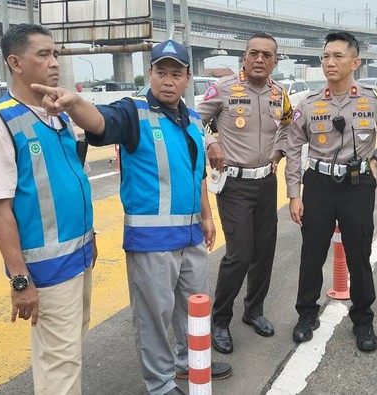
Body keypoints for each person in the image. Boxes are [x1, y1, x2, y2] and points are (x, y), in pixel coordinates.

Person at [30, 39, 231, 395]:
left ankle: (191, 363)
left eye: (176, 74)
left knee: (192, 306)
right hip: (152, 242)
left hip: (192, 236)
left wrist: (206, 214)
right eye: (160, 72)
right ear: (150, 73)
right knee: (153, 317)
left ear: (187, 79)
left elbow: (196, 170)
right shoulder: (132, 113)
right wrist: (75, 103)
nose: (168, 81)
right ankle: (160, 383)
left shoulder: (193, 118)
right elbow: (100, 122)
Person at [0, 24, 96, 394]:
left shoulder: (57, 115)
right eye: (43, 54)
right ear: (15, 62)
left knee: (66, 354)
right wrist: (20, 281)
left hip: (78, 256)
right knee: (61, 363)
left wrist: (91, 238)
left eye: (55, 54)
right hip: (46, 270)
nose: (54, 63)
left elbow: (73, 184)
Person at [285, 31, 377, 352]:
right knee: (312, 252)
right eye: (326, 56)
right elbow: (293, 145)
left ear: (355, 62)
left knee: (358, 252)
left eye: (338, 56)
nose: (330, 62)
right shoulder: (309, 103)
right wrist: (294, 194)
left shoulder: (375, 98)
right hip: (319, 184)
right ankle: (307, 313)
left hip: (357, 185)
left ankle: (363, 318)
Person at [196, 32, 292, 354]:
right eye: (254, 53)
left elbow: (288, 128)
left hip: (267, 183)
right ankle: (220, 320)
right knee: (239, 254)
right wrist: (211, 142)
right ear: (244, 58)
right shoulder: (223, 89)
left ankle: (254, 310)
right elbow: (193, 119)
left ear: (275, 61)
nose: (260, 59)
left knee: (264, 251)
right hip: (234, 185)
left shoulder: (280, 94)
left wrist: (279, 151)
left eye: (267, 54)